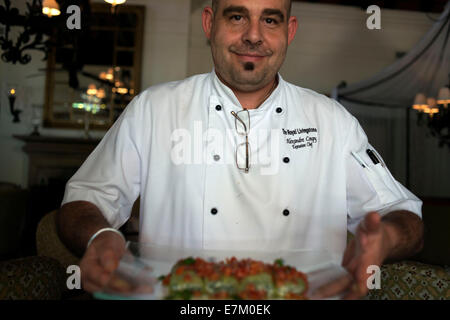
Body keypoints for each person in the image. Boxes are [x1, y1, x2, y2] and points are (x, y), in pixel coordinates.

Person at [57, 0, 424, 299]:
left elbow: (402, 212)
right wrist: (100, 236)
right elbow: (84, 198)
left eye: (270, 19)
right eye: (236, 16)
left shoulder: (331, 120)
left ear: (289, 31)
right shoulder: (154, 109)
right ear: (208, 22)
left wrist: (386, 238)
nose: (253, 35)